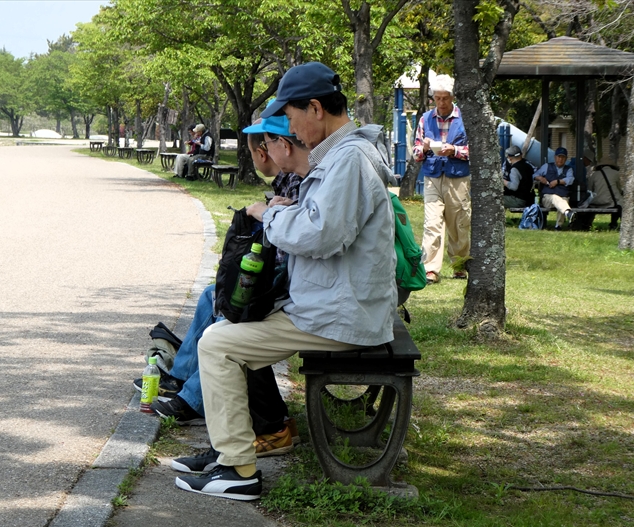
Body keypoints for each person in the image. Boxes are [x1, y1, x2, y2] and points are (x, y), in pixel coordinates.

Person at [173, 62, 397, 501]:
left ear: (315, 108)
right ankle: (228, 453)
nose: (290, 128)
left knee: (217, 344)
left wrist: (270, 215)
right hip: (334, 305)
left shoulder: (349, 159)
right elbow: (324, 223)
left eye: (291, 117)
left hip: (339, 314)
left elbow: (321, 234)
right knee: (228, 328)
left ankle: (238, 470)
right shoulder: (343, 155)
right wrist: (288, 211)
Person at [143, 116, 306, 457]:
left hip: (300, 293)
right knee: (213, 295)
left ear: (271, 150)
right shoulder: (291, 179)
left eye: (264, 147)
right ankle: (184, 379)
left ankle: (197, 404)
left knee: (230, 314)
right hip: (296, 285)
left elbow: (290, 244)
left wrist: (266, 214)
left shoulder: (300, 179)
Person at [412, 74, 471, 284]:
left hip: (458, 177)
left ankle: (459, 265)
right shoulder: (425, 119)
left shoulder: (465, 118)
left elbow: (476, 151)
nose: (441, 102)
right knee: (432, 223)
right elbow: (415, 153)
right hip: (432, 176)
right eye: (437, 98)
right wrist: (424, 147)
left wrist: (454, 150)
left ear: (452, 97)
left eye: (445, 98)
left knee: (459, 223)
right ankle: (430, 269)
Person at [533, 147, 576, 231]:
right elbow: (534, 175)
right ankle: (568, 213)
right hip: (547, 198)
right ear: (555, 157)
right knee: (555, 198)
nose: (561, 159)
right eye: (559, 157)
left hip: (562, 195)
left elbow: (570, 179)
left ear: (566, 159)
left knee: (563, 200)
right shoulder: (547, 166)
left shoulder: (568, 169)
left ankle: (558, 226)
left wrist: (558, 181)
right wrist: (540, 178)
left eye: (563, 157)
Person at [583, 149, 623, 230]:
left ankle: (587, 224)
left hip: (597, 202)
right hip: (611, 203)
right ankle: (613, 223)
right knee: (619, 202)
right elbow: (619, 188)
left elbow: (590, 189)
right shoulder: (616, 174)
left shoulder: (594, 174)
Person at [502, 145, 535, 209]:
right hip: (528, 199)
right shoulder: (528, 166)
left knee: (493, 199)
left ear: (510, 157)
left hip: (518, 200)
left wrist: (502, 181)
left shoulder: (514, 169)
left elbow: (514, 187)